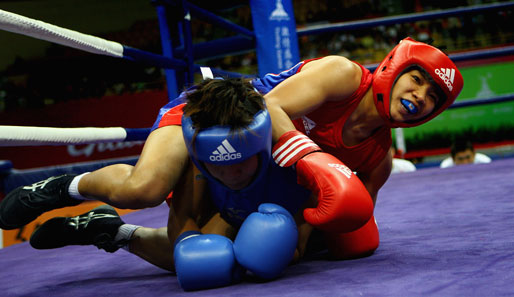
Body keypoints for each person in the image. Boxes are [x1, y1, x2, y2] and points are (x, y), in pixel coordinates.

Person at [0, 37, 463, 287]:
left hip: (252, 172)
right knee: (144, 188)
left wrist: (307, 235)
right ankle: (63, 189)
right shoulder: (342, 75)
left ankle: (109, 231)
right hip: (215, 119)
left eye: (431, 97)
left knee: (208, 261)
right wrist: (315, 159)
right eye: (416, 80)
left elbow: (340, 210)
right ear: (393, 70)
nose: (419, 96)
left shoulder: (378, 159)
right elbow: (262, 112)